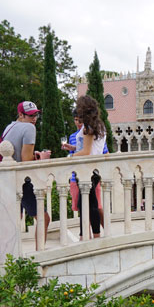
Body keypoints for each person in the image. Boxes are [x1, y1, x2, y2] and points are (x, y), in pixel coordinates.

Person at [5, 100, 50, 248]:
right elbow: (26, 160)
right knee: (44, 218)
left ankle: (10, 257)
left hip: (7, 180)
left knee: (14, 220)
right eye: (30, 116)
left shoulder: (9, 127)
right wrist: (42, 158)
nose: (34, 119)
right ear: (21, 115)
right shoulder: (29, 128)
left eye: (36, 115)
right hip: (23, 181)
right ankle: (40, 254)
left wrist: (33, 154)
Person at [66, 95, 107, 239]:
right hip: (94, 170)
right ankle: (93, 234)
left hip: (85, 170)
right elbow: (92, 148)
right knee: (91, 204)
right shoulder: (99, 125)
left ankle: (87, 235)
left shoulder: (88, 128)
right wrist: (73, 147)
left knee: (86, 205)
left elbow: (86, 152)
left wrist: (70, 157)